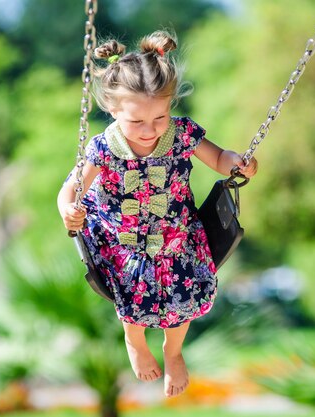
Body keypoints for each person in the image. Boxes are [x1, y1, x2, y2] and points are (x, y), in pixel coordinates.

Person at [57, 30, 258, 398]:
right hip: (125, 246)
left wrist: (237, 162)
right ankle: (135, 342)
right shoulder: (103, 147)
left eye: (160, 117)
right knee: (133, 303)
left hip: (177, 238)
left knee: (183, 302)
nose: (150, 130)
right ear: (113, 109)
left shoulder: (181, 135)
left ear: (170, 105)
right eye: (137, 121)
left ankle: (173, 349)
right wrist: (69, 211)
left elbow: (217, 158)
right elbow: (69, 190)